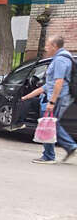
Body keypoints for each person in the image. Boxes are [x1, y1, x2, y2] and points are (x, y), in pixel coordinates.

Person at [10, 35, 76, 164]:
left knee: (49, 124)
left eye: (47, 45)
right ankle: (67, 148)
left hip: (57, 98)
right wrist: (27, 96)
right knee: (51, 124)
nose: (45, 48)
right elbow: (48, 85)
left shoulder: (60, 61)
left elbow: (59, 82)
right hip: (56, 96)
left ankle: (50, 155)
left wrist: (52, 101)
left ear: (54, 46)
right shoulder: (60, 58)